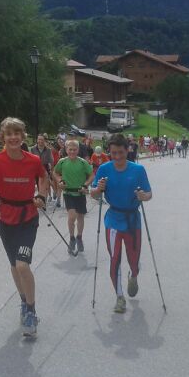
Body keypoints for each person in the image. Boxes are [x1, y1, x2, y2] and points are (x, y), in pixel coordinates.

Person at [0, 117, 49, 337]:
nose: (13, 137)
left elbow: (43, 178)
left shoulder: (32, 160)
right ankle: (23, 301)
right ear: (3, 137)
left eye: (17, 133)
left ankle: (31, 310)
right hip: (5, 217)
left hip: (28, 217)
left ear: (23, 136)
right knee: (14, 265)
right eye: (9, 133)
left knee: (22, 265)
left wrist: (41, 194)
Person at [91, 134, 152, 313]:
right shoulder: (103, 169)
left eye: (121, 153)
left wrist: (143, 197)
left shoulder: (138, 170)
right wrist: (98, 188)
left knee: (133, 260)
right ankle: (119, 297)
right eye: (113, 153)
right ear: (109, 152)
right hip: (113, 219)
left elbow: (148, 194)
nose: (117, 157)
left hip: (133, 220)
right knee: (115, 258)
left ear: (128, 150)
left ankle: (133, 275)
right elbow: (93, 193)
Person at [54, 139, 94, 254]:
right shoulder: (62, 161)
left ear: (78, 150)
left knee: (80, 217)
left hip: (80, 193)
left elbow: (91, 175)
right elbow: (55, 173)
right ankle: (72, 238)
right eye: (70, 149)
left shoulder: (82, 162)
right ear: (66, 150)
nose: (72, 152)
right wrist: (59, 180)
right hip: (68, 193)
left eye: (74, 150)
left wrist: (85, 185)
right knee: (72, 216)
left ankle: (79, 237)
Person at [30, 134, 55, 200]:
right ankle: (40, 197)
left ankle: (44, 200)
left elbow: (51, 160)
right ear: (37, 140)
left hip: (45, 168)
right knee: (38, 185)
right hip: (35, 168)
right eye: (39, 139)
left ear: (44, 141)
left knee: (45, 185)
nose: (40, 141)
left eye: (42, 140)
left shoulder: (48, 150)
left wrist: (52, 170)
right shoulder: (32, 149)